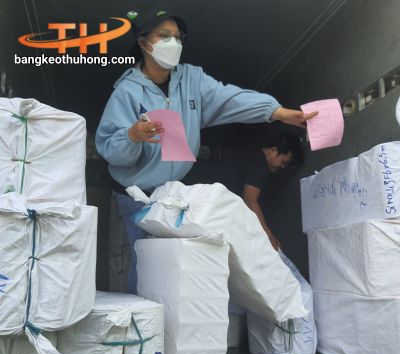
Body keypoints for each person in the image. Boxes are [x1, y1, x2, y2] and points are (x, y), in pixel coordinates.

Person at [95, 9, 317, 293]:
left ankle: (171, 314)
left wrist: (276, 112)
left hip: (171, 190)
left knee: (171, 261)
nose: (173, 43)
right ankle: (143, 319)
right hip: (136, 193)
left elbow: (230, 98)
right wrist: (132, 136)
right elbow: (111, 150)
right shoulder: (127, 91)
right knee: (145, 260)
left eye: (178, 37)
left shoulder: (191, 80)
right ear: (143, 42)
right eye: (164, 36)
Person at [183, 130, 304, 250]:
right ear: (273, 150)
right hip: (193, 184)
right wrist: (268, 235)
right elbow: (250, 200)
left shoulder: (250, 150)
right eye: (283, 162)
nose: (282, 167)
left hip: (192, 165)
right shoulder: (260, 165)